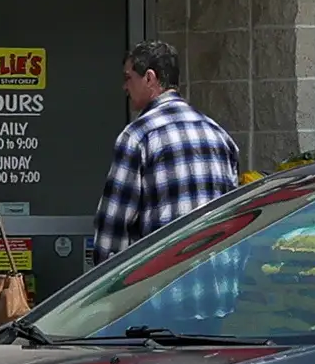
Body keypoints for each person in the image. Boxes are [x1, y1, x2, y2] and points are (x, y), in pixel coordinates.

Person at [92, 38, 243, 254]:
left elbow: (113, 230)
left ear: (149, 78)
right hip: (218, 279)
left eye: (128, 78)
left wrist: (106, 284)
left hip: (166, 281)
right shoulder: (219, 136)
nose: (124, 87)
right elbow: (235, 215)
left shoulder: (138, 136)